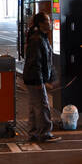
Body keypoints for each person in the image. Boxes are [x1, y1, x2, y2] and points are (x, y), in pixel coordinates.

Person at [22, 12, 61, 142]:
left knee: (34, 107)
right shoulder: (37, 39)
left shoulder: (40, 37)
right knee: (43, 106)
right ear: (41, 23)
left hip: (32, 78)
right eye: (47, 21)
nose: (50, 23)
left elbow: (46, 61)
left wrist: (52, 77)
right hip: (34, 79)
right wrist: (40, 81)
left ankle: (33, 133)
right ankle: (44, 133)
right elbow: (35, 62)